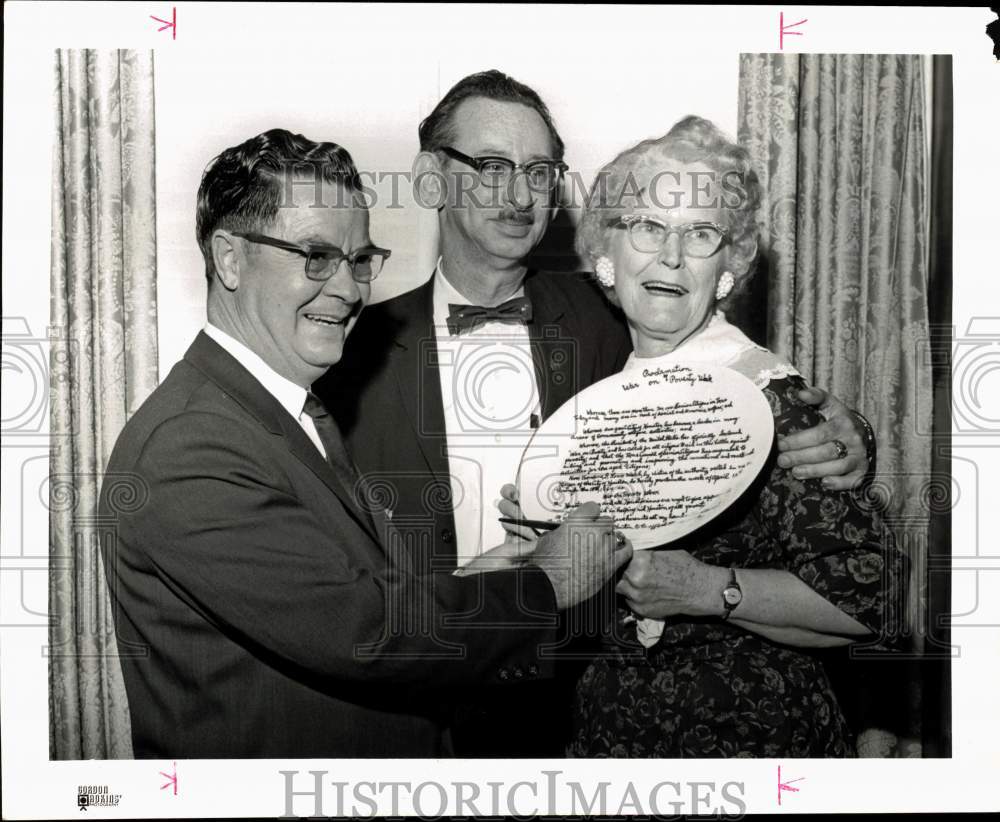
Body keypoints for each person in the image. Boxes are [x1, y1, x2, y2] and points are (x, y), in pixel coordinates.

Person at [317, 70, 877, 756]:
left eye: (539, 170)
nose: (521, 194)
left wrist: (845, 430)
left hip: (582, 699)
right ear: (430, 180)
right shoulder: (346, 354)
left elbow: (739, 377)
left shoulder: (618, 316)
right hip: (426, 709)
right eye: (493, 166)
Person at [98, 128, 631, 759]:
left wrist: (478, 575)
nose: (349, 290)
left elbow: (347, 593)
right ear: (229, 257)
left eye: (358, 261)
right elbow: (366, 633)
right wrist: (547, 581)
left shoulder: (292, 410)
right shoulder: (189, 449)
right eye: (315, 257)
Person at [505, 115, 907, 757]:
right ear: (607, 251)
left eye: (700, 233)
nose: (670, 255)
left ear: (727, 263)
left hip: (754, 744)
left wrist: (705, 588)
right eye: (647, 226)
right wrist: (547, 536)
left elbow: (873, 601)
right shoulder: (600, 389)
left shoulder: (772, 400)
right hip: (608, 740)